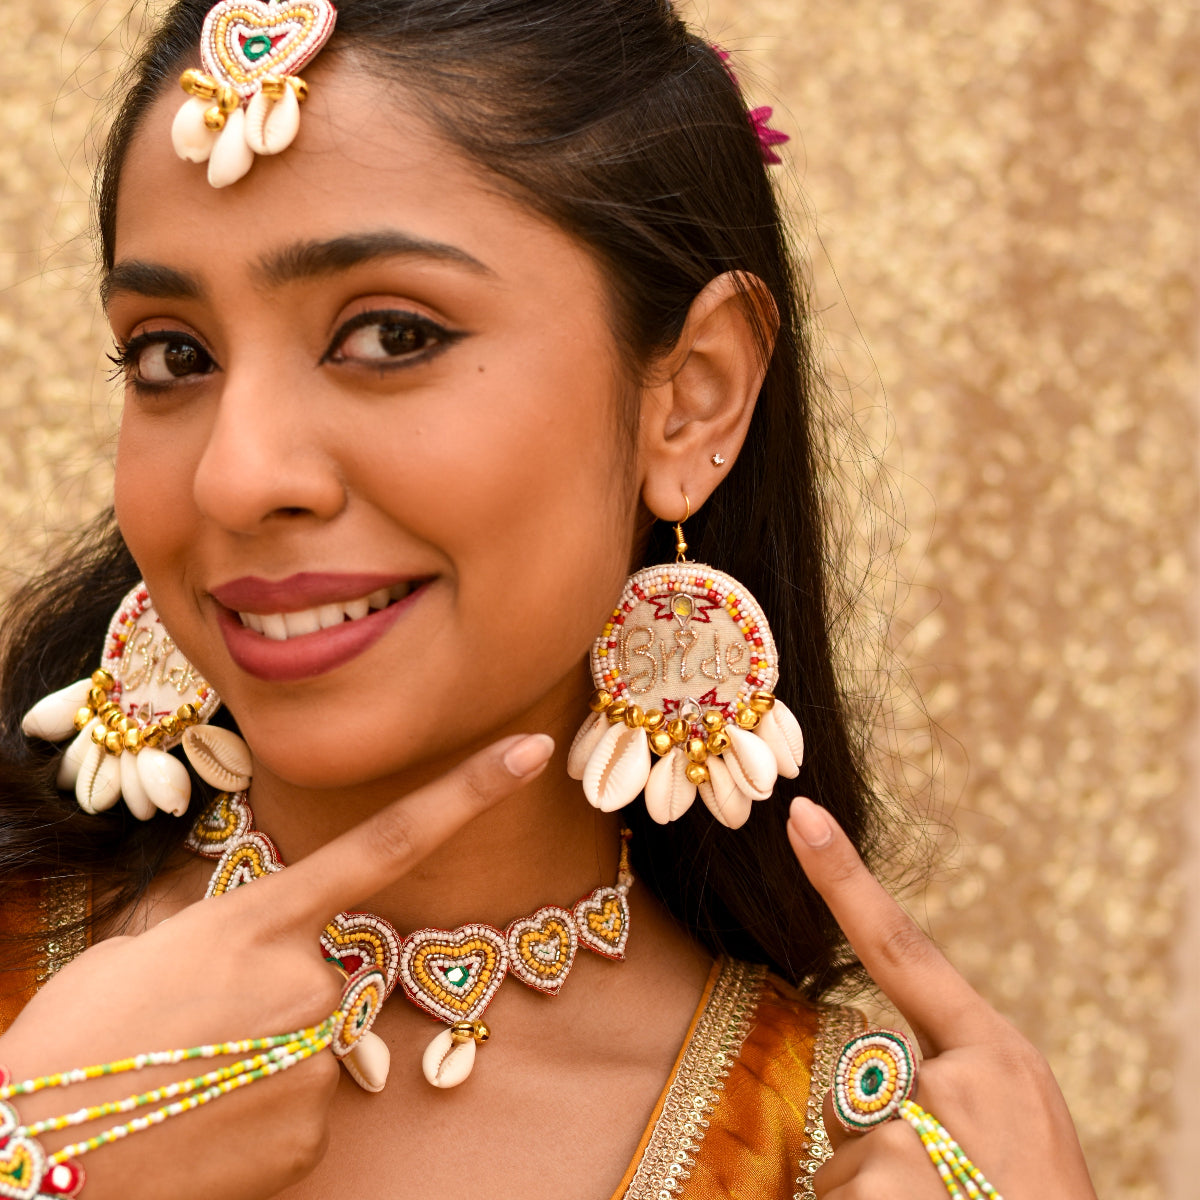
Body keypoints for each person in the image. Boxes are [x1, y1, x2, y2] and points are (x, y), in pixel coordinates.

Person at [0, 1, 1098, 1196]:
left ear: (692, 399)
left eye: (390, 332)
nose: (237, 475)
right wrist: (35, 1156)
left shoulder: (832, 1148)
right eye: (173, 354)